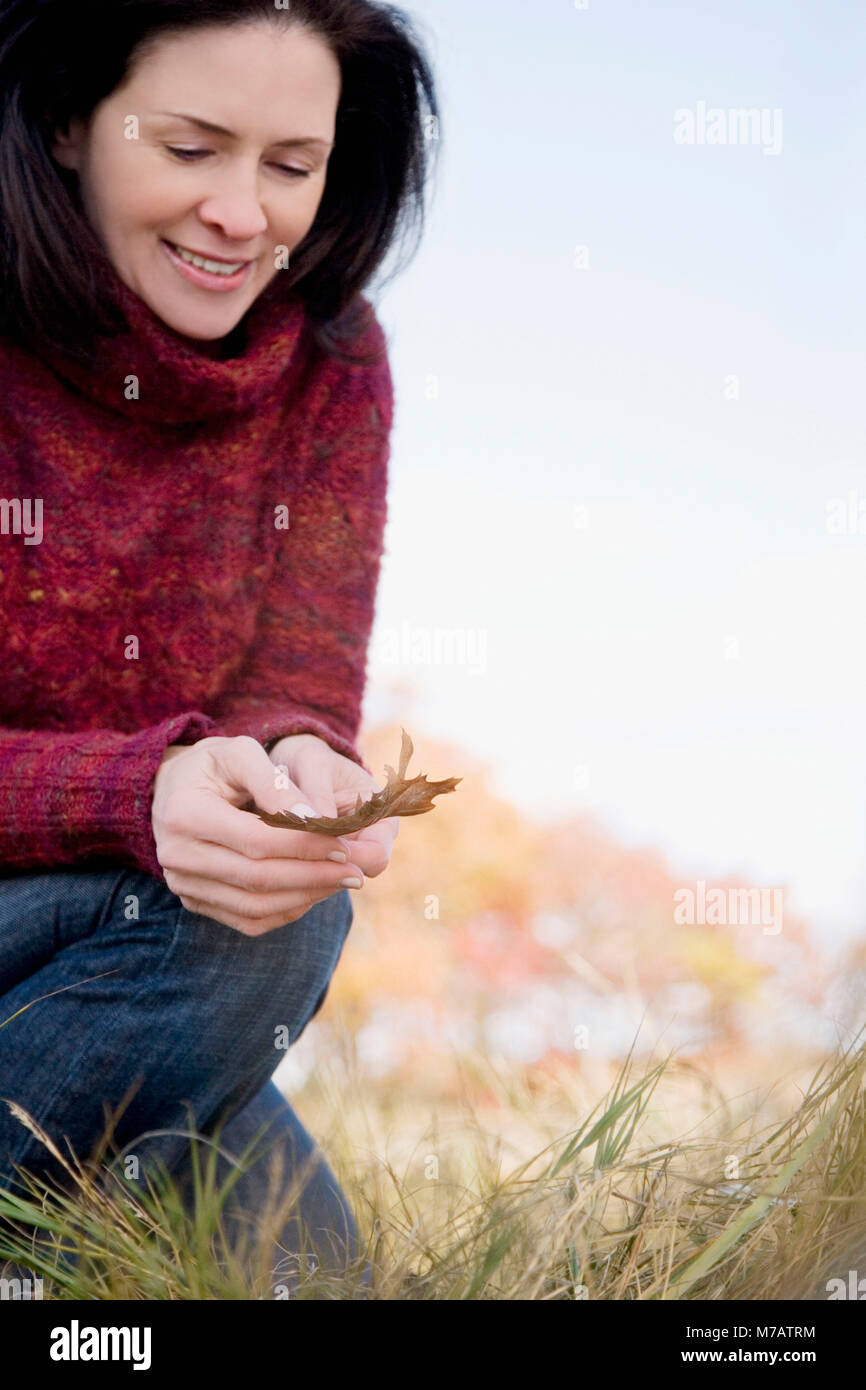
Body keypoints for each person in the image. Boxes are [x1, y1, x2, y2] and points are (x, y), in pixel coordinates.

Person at [0, 0, 439, 1293]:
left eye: (288, 166)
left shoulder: (335, 365)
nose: (242, 213)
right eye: (191, 149)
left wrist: (310, 772)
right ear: (71, 122)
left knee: (316, 1276)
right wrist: (135, 791)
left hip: (134, 956)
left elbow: (294, 692)